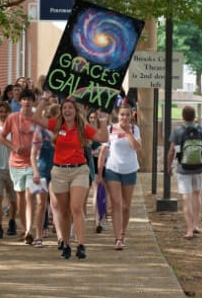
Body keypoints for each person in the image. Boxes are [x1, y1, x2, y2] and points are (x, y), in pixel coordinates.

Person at [33, 93, 109, 260]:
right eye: (64, 108)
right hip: (59, 172)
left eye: (70, 108)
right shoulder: (56, 125)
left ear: (75, 111)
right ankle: (66, 244)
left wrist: (103, 120)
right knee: (64, 211)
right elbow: (36, 118)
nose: (67, 110)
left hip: (79, 170)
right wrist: (44, 99)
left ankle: (81, 245)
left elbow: (103, 138)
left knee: (76, 207)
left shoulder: (82, 127)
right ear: (61, 111)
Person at [96, 104, 141, 250]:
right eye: (122, 115)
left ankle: (123, 232)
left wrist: (128, 134)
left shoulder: (135, 129)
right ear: (117, 116)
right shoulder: (110, 129)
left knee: (125, 206)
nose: (125, 118)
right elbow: (103, 152)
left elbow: (137, 147)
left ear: (131, 116)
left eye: (127, 115)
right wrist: (99, 172)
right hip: (112, 169)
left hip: (130, 169)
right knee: (116, 203)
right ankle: (118, 238)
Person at [166, 105, 202, 239]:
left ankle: (189, 230)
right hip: (199, 168)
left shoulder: (177, 131)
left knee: (186, 198)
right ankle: (195, 225)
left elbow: (171, 151)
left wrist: (168, 166)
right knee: (196, 194)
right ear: (195, 117)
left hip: (183, 169)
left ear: (183, 117)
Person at [0, 88, 40, 245]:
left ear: (33, 101)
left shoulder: (37, 118)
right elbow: (1, 137)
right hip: (15, 163)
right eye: (24, 99)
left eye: (30, 99)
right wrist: (14, 147)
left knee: (30, 196)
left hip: (32, 162)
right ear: (20, 101)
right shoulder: (12, 118)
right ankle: (24, 228)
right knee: (20, 197)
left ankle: (30, 230)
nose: (27, 102)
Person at [30, 103, 61, 247]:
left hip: (56, 170)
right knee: (41, 204)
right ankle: (38, 235)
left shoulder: (62, 131)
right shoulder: (40, 130)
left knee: (56, 204)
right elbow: (33, 155)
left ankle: (61, 237)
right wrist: (35, 171)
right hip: (41, 171)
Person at [0, 101, 18, 238]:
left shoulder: (14, 128)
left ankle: (12, 222)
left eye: (5, 111)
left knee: (13, 199)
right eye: (0, 111)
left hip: (12, 167)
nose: (3, 114)